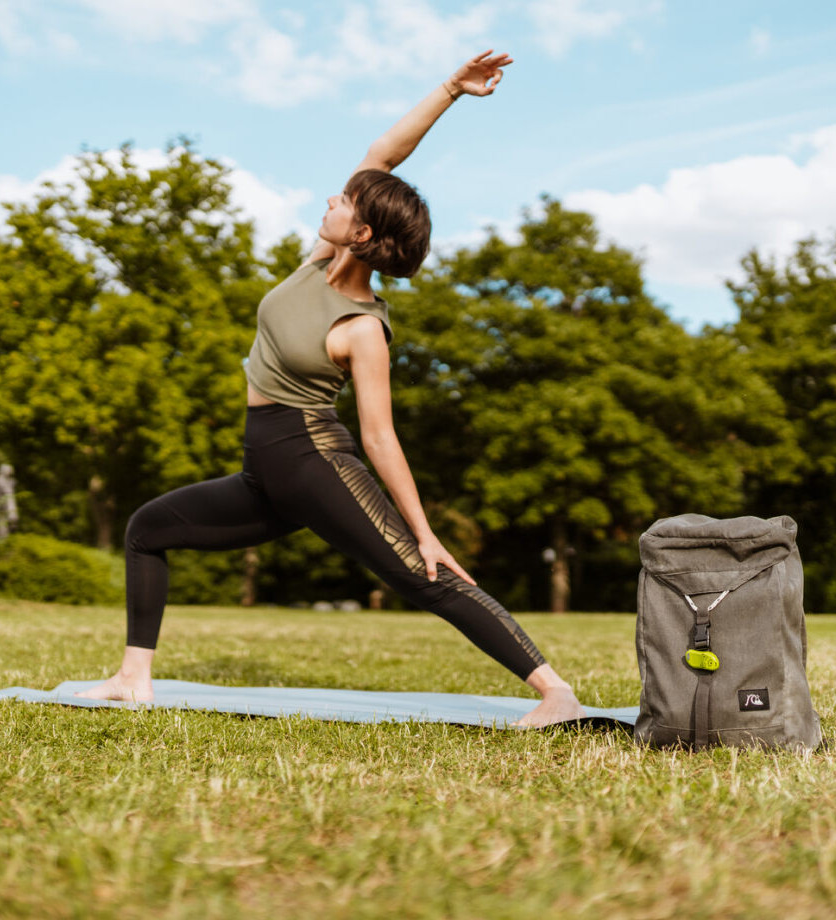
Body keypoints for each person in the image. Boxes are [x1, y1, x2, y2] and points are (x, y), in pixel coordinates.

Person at [79, 51, 584, 728]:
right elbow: (384, 153)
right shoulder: (319, 262)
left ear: (364, 231)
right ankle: (132, 678)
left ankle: (556, 692)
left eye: (344, 202)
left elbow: (379, 436)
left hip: (313, 463)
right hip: (267, 470)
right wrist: (450, 91)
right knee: (147, 529)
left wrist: (424, 529)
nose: (331, 199)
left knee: (418, 573)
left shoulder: (361, 328)